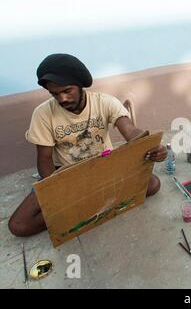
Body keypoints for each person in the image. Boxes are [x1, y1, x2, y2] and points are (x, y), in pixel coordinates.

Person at [8, 53, 168, 237]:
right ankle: (92, 204)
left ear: (80, 85)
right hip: (66, 175)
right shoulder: (43, 114)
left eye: (67, 91)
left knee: (153, 185)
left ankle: (84, 205)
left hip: (105, 165)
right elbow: (44, 159)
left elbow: (130, 131)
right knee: (19, 225)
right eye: (55, 94)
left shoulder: (104, 102)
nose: (62, 99)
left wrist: (151, 146)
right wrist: (56, 193)